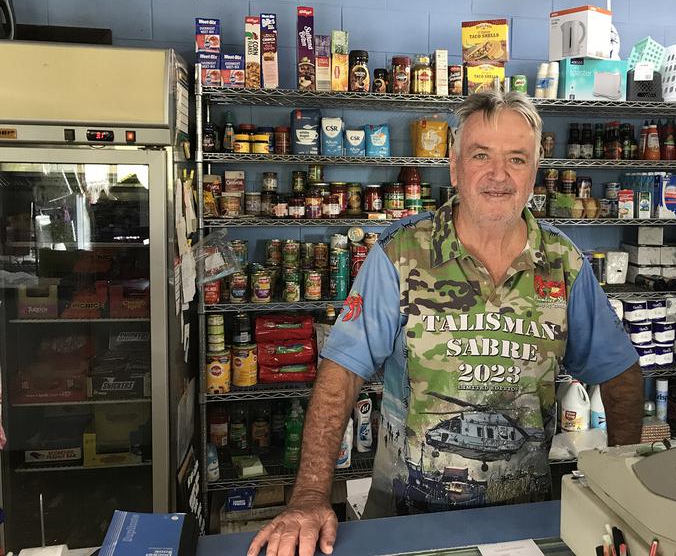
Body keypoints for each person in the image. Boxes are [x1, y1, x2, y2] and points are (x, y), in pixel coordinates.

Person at [248, 91, 643, 556]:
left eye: (517, 159)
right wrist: (311, 496)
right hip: (405, 518)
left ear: (535, 172)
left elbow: (620, 374)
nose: (499, 175)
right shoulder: (397, 254)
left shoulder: (564, 263)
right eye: (481, 156)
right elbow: (342, 372)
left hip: (523, 524)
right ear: (454, 168)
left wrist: (623, 492)